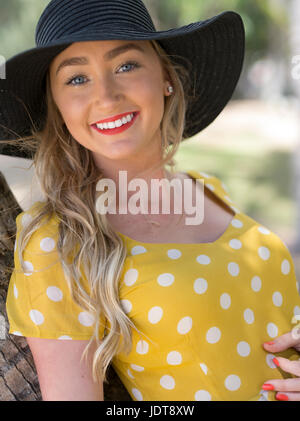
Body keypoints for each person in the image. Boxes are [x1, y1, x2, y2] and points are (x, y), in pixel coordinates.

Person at [2, 0, 300, 402]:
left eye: (126, 65)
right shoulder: (58, 246)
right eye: (76, 79)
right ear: (55, 104)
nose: (106, 96)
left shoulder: (209, 190)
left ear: (166, 78)